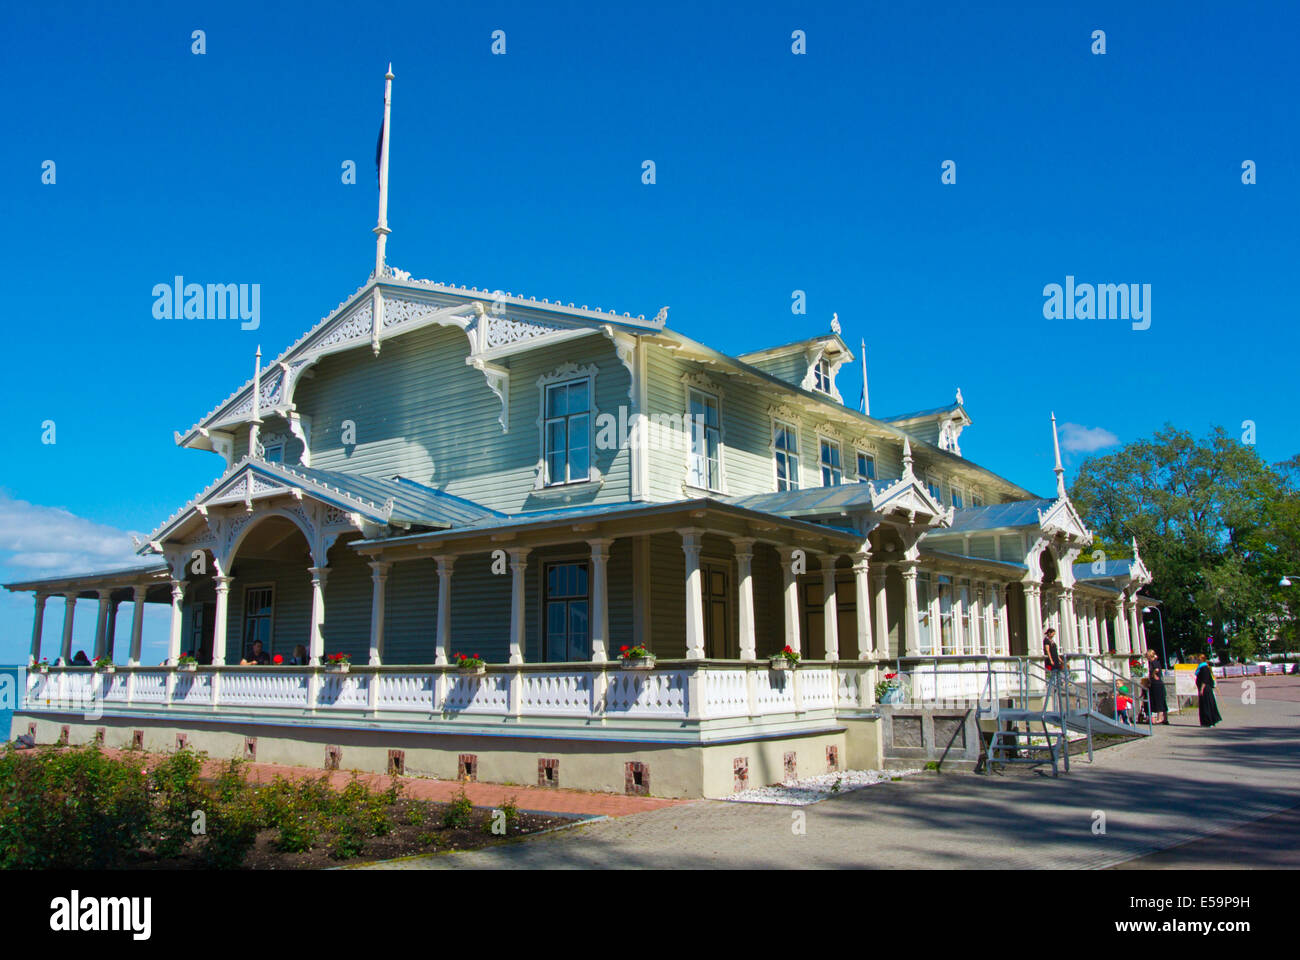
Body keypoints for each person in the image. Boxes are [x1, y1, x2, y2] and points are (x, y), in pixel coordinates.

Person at [1195, 655, 1223, 727]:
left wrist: (1202, 689)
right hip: (1206, 688)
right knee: (1207, 705)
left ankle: (1208, 721)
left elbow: (1205, 679)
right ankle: (1209, 721)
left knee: (1206, 705)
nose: (1197, 661)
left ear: (1201, 660)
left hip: (1205, 689)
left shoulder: (1204, 668)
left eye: (1198, 659)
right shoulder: (1203, 667)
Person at [1146, 649, 1169, 724]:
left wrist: (1153, 675)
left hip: (1156, 684)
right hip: (1158, 683)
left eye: (1147, 656)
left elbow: (1156, 670)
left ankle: (1160, 718)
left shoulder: (1153, 662)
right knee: (1161, 700)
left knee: (1158, 700)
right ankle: (1165, 718)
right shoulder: (1155, 662)